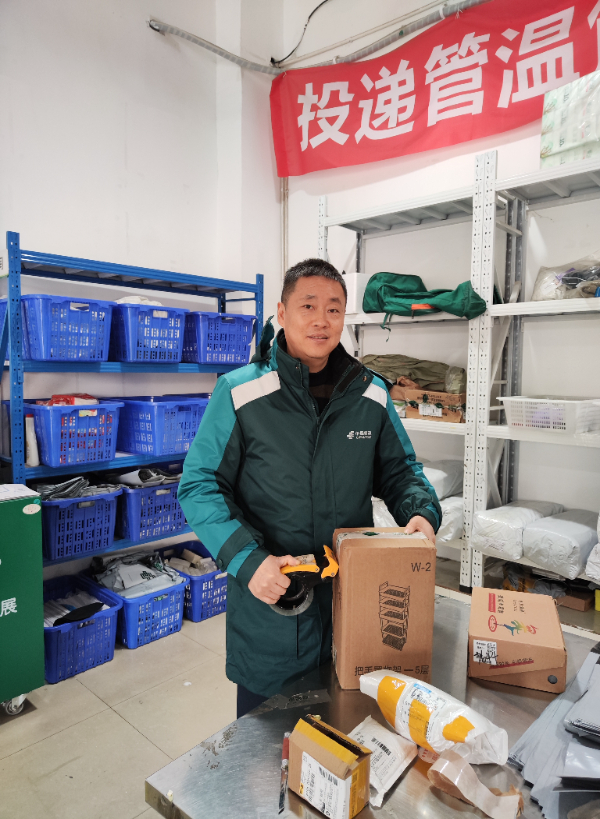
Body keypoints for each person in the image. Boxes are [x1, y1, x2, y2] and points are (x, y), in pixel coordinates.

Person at [178, 258, 441, 718]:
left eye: (334, 309)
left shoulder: (370, 394)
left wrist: (419, 511)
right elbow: (199, 485)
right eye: (308, 306)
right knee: (265, 742)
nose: (322, 320)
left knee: (347, 733)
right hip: (275, 604)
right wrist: (248, 561)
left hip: (352, 605)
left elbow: (400, 470)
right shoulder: (240, 393)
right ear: (282, 313)